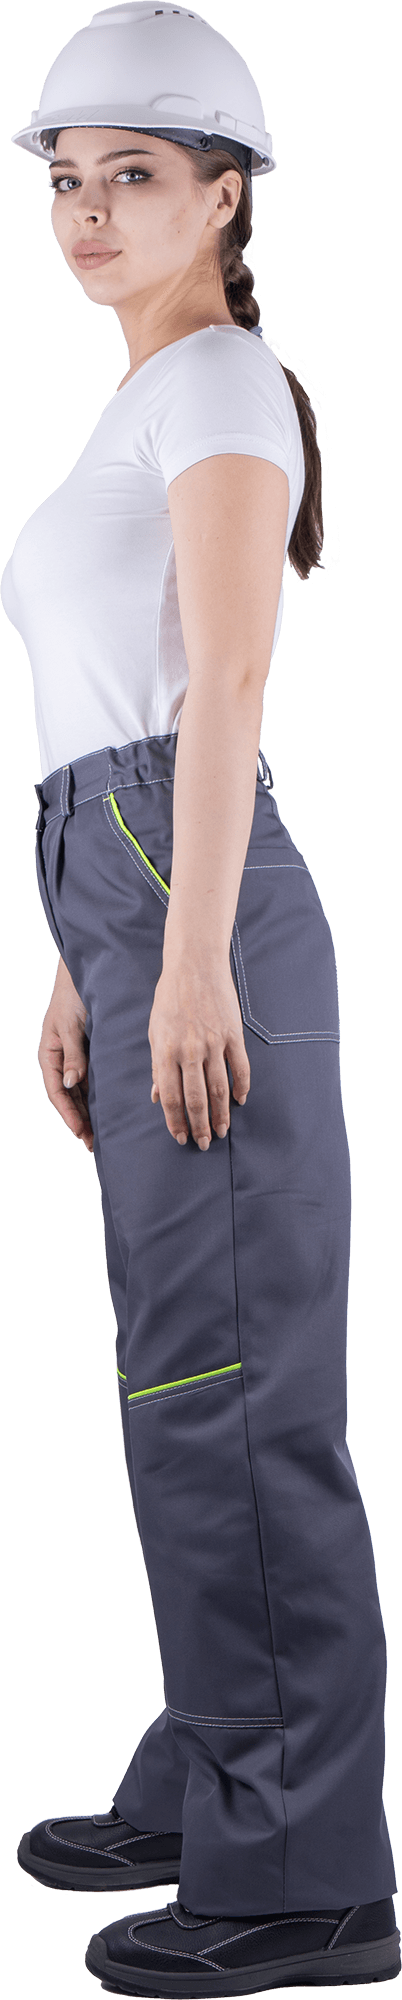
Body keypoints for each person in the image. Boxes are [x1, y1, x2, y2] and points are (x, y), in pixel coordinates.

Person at [3, 5, 399, 1991]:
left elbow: (227, 681)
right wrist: (86, 963)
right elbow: (122, 697)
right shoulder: (149, 397)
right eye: (68, 178)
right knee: (183, 1373)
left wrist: (179, 957)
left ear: (225, 195)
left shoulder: (224, 382)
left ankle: (304, 1870)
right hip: (136, 889)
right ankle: (213, 1770)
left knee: (230, 1389)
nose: (88, 209)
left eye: (134, 175)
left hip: (194, 896)